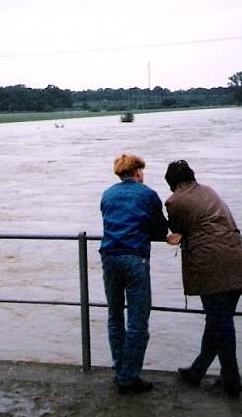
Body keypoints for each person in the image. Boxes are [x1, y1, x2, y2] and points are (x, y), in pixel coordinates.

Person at [164, 160, 242, 397]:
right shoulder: (209, 191)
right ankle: (197, 371)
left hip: (211, 264)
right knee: (218, 321)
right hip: (236, 257)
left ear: (171, 183)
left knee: (220, 323)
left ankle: (231, 382)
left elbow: (176, 227)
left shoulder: (174, 201)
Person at [99, 153, 168, 394]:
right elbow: (161, 229)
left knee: (114, 316)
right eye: (142, 170)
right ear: (137, 171)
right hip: (134, 258)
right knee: (138, 320)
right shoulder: (147, 193)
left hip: (109, 257)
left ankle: (120, 370)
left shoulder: (107, 194)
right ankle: (129, 377)